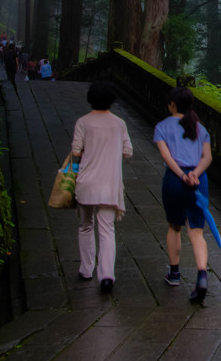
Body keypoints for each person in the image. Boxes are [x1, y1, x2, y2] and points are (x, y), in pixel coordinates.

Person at [71, 81, 133, 294]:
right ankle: (106, 276)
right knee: (107, 230)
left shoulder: (83, 122)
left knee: (86, 226)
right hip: (109, 184)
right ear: (111, 101)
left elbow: (76, 152)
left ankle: (86, 269)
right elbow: (128, 152)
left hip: (86, 183)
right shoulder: (119, 124)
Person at [153, 86, 213, 303]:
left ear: (172, 104)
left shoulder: (162, 127)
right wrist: (195, 174)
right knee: (196, 232)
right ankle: (202, 275)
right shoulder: (200, 128)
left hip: (174, 180)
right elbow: (207, 158)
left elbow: (166, 156)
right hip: (199, 181)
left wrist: (182, 175)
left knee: (174, 226)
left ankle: (175, 273)